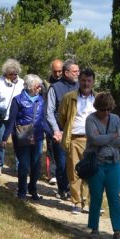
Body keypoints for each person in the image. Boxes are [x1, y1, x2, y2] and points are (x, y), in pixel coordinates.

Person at [84, 92, 120, 239]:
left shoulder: (116, 119)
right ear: (97, 108)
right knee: (96, 196)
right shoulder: (91, 119)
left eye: (108, 109)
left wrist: (105, 139)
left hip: (113, 163)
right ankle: (94, 228)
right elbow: (94, 139)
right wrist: (112, 136)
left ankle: (118, 231)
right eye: (103, 109)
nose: (106, 112)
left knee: (114, 197)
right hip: (97, 164)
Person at [1, 74, 50, 200]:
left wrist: (50, 133)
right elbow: (12, 120)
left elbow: (43, 119)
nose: (40, 88)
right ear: (30, 87)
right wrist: (5, 138)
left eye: (40, 86)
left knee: (36, 165)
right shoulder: (17, 100)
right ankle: (22, 191)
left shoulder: (41, 100)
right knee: (23, 165)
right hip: (22, 136)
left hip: (37, 137)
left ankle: (33, 190)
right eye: (38, 86)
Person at [57, 66, 95, 214]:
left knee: (93, 172)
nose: (86, 83)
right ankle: (77, 202)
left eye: (89, 81)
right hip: (74, 138)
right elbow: (62, 117)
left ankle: (93, 203)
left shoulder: (97, 98)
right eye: (83, 80)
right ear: (79, 80)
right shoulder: (70, 97)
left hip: (93, 140)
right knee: (74, 172)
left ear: (93, 82)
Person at [47, 59, 79, 200]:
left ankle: (74, 191)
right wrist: (56, 130)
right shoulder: (54, 88)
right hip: (60, 132)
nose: (78, 73)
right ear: (66, 73)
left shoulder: (81, 87)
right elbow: (49, 112)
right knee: (61, 163)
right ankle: (62, 188)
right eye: (75, 71)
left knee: (76, 163)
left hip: (78, 133)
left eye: (78, 71)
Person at [0, 59, 24, 175]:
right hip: (2, 117)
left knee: (19, 141)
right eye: (10, 74)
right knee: (1, 140)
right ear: (5, 72)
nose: (13, 76)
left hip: (18, 117)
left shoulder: (21, 83)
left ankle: (19, 165)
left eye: (15, 73)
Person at [44, 59, 65, 186]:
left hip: (65, 123)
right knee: (51, 148)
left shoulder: (68, 84)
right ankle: (52, 174)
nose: (57, 74)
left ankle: (62, 174)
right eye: (55, 71)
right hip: (50, 122)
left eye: (60, 71)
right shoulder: (46, 84)